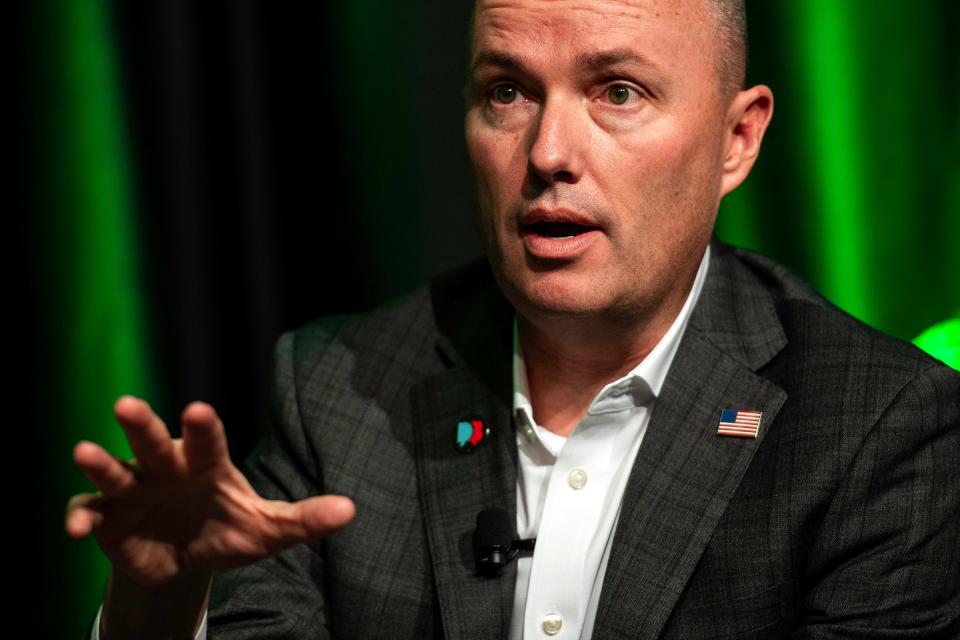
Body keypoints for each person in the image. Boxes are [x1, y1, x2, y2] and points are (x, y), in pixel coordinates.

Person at [66, 0, 960, 638]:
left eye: (617, 92)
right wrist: (161, 605)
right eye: (506, 91)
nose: (547, 154)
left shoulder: (881, 428)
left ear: (739, 139)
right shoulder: (337, 390)